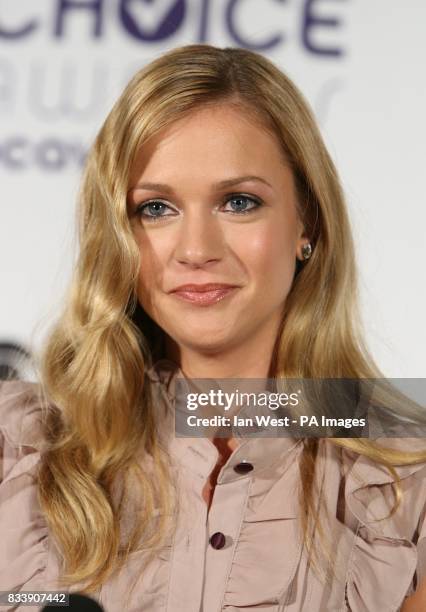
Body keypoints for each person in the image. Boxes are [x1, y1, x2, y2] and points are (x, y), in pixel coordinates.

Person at [0, 43, 425, 612]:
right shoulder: (19, 453)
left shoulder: (406, 485)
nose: (196, 250)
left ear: (309, 224)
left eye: (239, 201)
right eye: (155, 209)